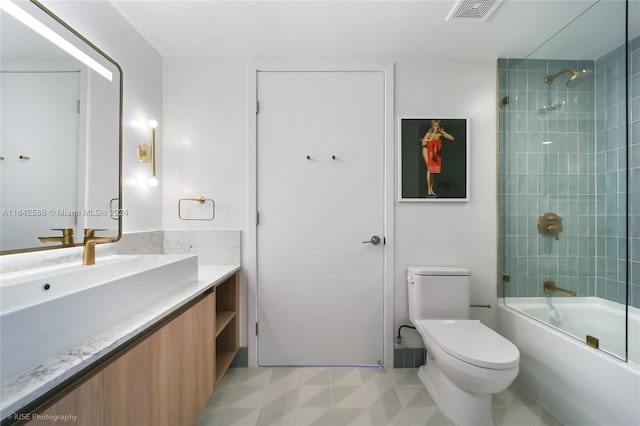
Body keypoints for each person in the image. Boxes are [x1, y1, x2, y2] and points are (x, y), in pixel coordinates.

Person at [421, 120, 454, 196]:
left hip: (434, 152)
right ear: (433, 126)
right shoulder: (429, 133)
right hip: (426, 150)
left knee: (432, 170)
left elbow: (452, 138)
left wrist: (443, 132)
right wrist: (430, 139)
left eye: (438, 125)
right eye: (435, 125)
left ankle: (431, 189)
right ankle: (429, 189)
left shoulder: (440, 134)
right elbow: (423, 143)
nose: (437, 127)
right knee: (429, 168)